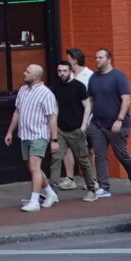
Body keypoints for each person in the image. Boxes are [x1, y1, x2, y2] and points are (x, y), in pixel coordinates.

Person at [1, 62, 59, 213]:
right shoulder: (22, 90)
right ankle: (50, 193)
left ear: (34, 76)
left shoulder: (46, 94)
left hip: (39, 135)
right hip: (24, 135)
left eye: (27, 72)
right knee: (33, 168)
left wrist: (54, 140)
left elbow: (52, 117)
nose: (24, 73)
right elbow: (17, 112)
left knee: (34, 167)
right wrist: (10, 132)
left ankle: (34, 201)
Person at [87, 48, 131, 200]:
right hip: (97, 123)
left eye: (100, 57)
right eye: (96, 57)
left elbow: (126, 100)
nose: (97, 60)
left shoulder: (119, 77)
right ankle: (104, 187)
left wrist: (119, 120)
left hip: (117, 124)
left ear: (109, 60)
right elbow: (91, 100)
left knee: (121, 154)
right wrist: (87, 121)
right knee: (99, 155)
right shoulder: (93, 78)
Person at [47, 58, 92, 194]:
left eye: (65, 71)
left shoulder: (79, 86)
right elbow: (54, 109)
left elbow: (87, 106)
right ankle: (51, 191)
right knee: (56, 159)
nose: (62, 73)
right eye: (59, 71)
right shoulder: (55, 87)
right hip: (60, 129)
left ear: (70, 71)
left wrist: (83, 126)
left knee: (83, 161)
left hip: (76, 129)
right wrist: (54, 130)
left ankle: (92, 189)